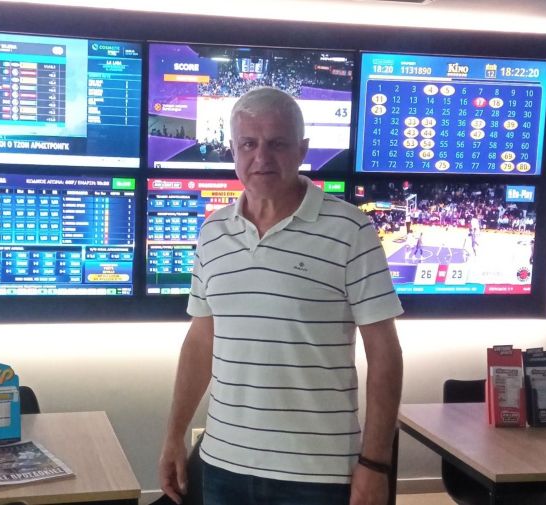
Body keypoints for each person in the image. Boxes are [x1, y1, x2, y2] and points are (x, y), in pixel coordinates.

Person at [158, 87, 404, 505]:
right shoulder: (212, 232)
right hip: (223, 465)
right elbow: (201, 341)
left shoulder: (351, 231)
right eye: (249, 144)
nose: (262, 158)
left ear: (302, 150)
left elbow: (385, 354)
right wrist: (173, 436)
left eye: (277, 144)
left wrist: (376, 463)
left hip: (318, 474)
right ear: (233, 150)